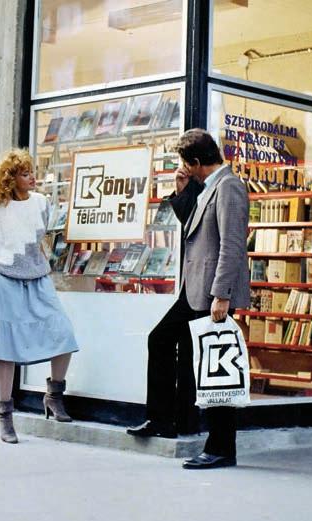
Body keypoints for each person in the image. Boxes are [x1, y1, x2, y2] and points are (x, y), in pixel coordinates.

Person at [127, 129, 250, 469]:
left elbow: (232, 245)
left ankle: (222, 447)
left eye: (184, 163)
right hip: (194, 289)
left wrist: (222, 294)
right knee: (162, 340)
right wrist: (182, 191)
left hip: (212, 292)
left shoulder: (229, 187)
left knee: (215, 366)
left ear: (196, 161)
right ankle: (164, 419)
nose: (182, 167)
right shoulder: (206, 187)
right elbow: (195, 231)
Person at [0, 148, 79, 444]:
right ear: (10, 179)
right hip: (6, 279)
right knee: (6, 348)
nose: (32, 177)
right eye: (25, 174)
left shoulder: (41, 203)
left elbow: (40, 238)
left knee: (63, 333)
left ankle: (53, 395)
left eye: (32, 172)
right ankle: (5, 416)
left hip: (38, 278)